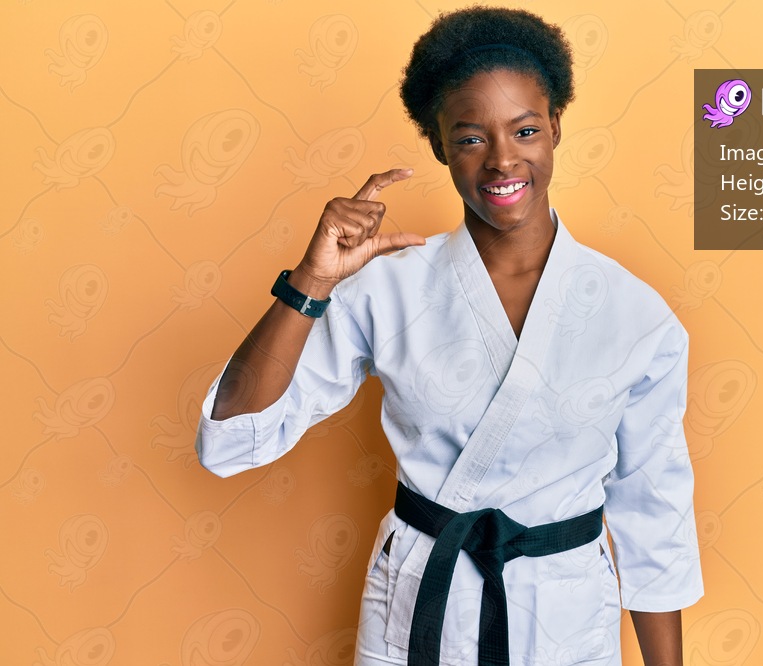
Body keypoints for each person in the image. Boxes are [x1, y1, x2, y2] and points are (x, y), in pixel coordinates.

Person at [196, 6, 702, 665]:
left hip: (569, 615)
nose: (501, 159)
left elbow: (653, 511)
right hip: (420, 607)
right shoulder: (388, 289)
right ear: (438, 144)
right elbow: (232, 441)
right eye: (470, 138)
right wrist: (311, 283)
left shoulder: (636, 315)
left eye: (524, 129)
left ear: (554, 127)